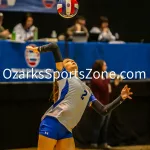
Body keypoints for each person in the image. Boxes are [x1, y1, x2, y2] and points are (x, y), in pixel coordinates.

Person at [26, 43, 133, 150]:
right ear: (62, 67)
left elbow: (103, 110)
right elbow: (54, 47)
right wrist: (39, 49)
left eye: (72, 60)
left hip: (66, 130)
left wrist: (121, 98)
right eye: (67, 61)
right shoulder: (64, 75)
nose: (71, 61)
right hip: (51, 123)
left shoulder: (87, 90)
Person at [90, 60, 122, 149]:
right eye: (104, 65)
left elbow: (108, 91)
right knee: (98, 125)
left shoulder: (102, 77)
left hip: (106, 105)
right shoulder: (95, 77)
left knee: (104, 126)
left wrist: (115, 83)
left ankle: (103, 143)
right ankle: (93, 143)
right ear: (100, 67)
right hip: (99, 106)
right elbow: (103, 87)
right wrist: (108, 78)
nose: (106, 67)